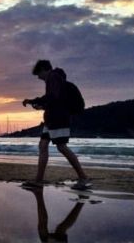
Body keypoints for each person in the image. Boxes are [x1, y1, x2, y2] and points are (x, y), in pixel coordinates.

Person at [22, 60, 90, 189]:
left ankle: (83, 177)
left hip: (58, 119)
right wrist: (41, 105)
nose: (38, 77)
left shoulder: (54, 77)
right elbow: (54, 100)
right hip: (51, 119)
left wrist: (33, 101)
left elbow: (53, 98)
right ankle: (38, 180)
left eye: (38, 74)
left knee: (61, 147)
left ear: (43, 69)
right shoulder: (55, 80)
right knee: (43, 145)